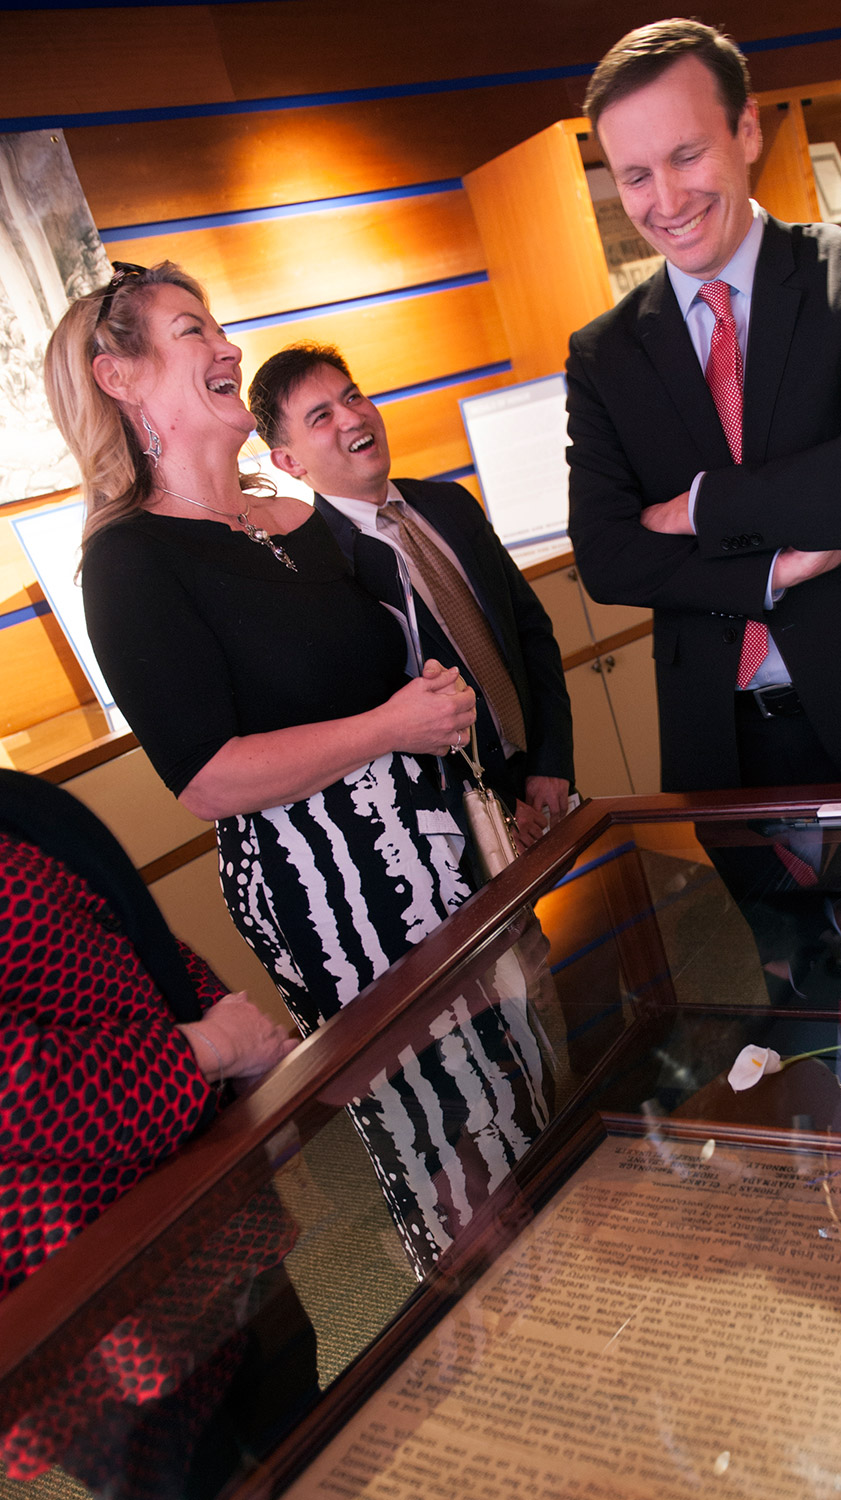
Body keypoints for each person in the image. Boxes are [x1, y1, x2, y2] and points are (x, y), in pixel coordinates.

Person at [44, 261, 552, 1274]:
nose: (228, 347)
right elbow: (206, 778)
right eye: (194, 330)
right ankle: (502, 1344)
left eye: (219, 326)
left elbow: (405, 657)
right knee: (448, 1143)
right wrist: (389, 727)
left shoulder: (301, 520)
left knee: (533, 1090)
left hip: (454, 853)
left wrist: (440, 708)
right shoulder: (130, 561)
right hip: (338, 895)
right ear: (121, 377)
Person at [565, 20, 841, 1019]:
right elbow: (608, 554)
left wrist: (701, 510)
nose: (664, 201)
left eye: (685, 154)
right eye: (634, 175)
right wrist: (767, 573)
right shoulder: (604, 356)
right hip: (731, 748)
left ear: (746, 130)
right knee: (807, 1014)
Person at [0, 769, 313, 1499]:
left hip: (200, 1193)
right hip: (90, 1267)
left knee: (301, 1410)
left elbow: (124, 930)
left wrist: (245, 1048)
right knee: (195, 1473)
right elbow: (12, 1088)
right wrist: (207, 1051)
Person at [248, 342, 574, 849]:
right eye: (321, 416)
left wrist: (552, 764)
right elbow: (371, 726)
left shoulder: (452, 503)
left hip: (543, 782)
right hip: (454, 827)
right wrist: (495, 808)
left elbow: (531, 632)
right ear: (288, 461)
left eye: (353, 396)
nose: (352, 418)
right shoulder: (313, 572)